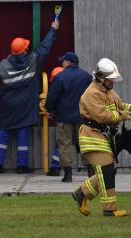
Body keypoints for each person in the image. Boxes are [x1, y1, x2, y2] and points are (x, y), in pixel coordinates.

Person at [72, 58, 131, 217]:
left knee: (108, 171)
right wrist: (121, 116)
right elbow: (102, 116)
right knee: (106, 170)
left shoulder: (109, 91)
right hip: (91, 137)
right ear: (100, 78)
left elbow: (120, 105)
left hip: (103, 137)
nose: (113, 82)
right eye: (110, 79)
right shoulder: (91, 93)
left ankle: (82, 193)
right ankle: (110, 209)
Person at [0, 19, 60, 174]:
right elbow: (45, 47)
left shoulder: (3, 65)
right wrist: (53, 30)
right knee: (23, 131)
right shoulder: (33, 61)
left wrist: (8, 60)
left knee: (3, 131)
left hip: (8, 104)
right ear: (24, 50)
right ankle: (22, 165)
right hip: (25, 104)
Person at [46, 52, 92, 182]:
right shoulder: (87, 77)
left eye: (63, 61)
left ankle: (68, 175)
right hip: (83, 118)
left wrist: (50, 109)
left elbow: (52, 97)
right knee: (85, 144)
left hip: (64, 118)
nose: (62, 63)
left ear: (68, 62)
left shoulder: (60, 77)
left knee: (64, 145)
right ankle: (91, 171)